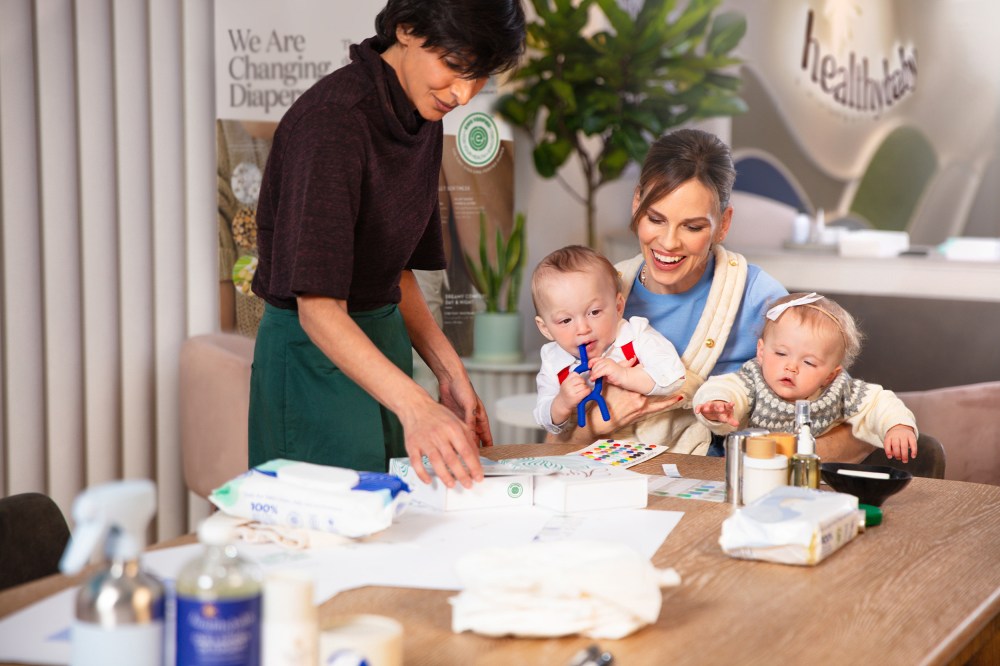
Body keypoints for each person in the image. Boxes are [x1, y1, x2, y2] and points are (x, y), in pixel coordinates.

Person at [248, 0, 526, 488]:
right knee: (323, 543)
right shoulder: (333, 123)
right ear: (406, 28)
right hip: (315, 356)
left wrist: (448, 371)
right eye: (455, 67)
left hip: (384, 347)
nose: (463, 95)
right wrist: (416, 407)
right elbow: (319, 309)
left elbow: (395, 274)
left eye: (478, 76)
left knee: (397, 524)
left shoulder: (422, 112)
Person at [552, 128, 790, 454]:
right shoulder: (597, 296)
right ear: (637, 203)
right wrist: (597, 425)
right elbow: (553, 444)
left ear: (723, 223)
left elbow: (838, 416)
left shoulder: (760, 300)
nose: (667, 242)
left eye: (692, 227)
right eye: (655, 218)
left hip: (719, 488)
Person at [693, 292, 919, 462]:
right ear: (761, 352)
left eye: (809, 362)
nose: (791, 367)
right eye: (781, 354)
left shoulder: (840, 390)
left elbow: (879, 403)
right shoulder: (752, 379)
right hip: (753, 471)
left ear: (830, 375)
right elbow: (726, 387)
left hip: (813, 476)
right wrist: (718, 404)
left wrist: (897, 426)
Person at [531, 245, 686, 434]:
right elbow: (544, 418)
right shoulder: (553, 361)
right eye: (565, 320)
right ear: (545, 328)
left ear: (618, 307)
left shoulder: (635, 334)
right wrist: (561, 404)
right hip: (594, 452)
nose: (582, 329)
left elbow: (674, 375)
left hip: (655, 440)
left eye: (594, 312)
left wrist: (625, 376)